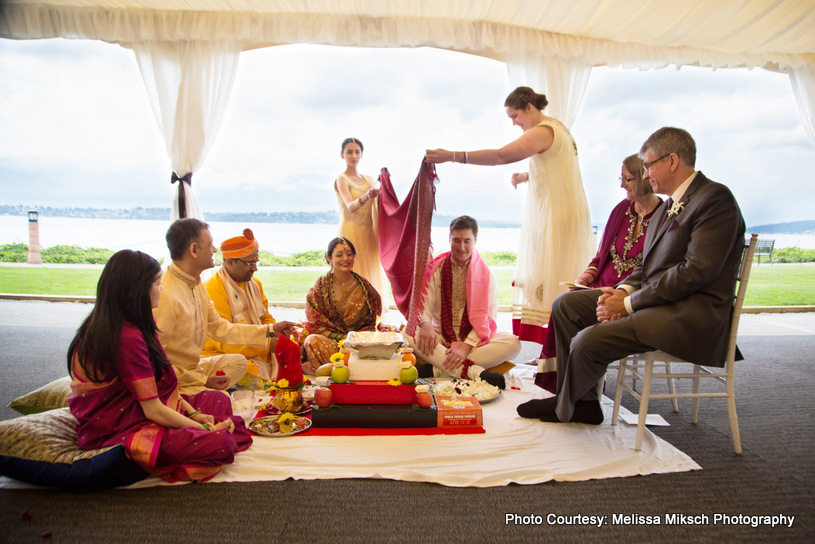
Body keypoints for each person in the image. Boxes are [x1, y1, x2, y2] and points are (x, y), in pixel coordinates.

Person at [517, 127, 746, 425]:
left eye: (649, 165)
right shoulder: (669, 206)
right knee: (566, 306)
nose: (647, 173)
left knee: (587, 340)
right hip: (659, 302)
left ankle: (568, 407)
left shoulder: (715, 199)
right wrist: (622, 291)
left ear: (672, 160)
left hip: (690, 314)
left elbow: (695, 272)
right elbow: (647, 267)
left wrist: (627, 305)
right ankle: (581, 401)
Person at [425, 86, 594, 348]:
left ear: (529, 106)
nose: (515, 123)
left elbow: (501, 155)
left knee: (554, 282)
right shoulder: (558, 127)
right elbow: (559, 169)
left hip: (556, 216)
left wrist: (452, 156)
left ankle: (561, 355)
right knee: (555, 284)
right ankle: (557, 353)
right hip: (567, 212)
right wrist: (528, 176)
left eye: (515, 116)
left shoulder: (543, 130)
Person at [67, 250, 252, 483]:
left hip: (153, 406)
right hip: (122, 426)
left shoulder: (140, 322)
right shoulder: (125, 337)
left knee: (220, 401)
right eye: (157, 284)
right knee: (221, 442)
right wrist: (203, 429)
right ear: (137, 290)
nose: (161, 290)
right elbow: (152, 409)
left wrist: (195, 414)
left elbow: (163, 385)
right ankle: (175, 450)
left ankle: (202, 436)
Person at [535, 155, 662, 388]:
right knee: (566, 301)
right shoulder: (621, 210)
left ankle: (580, 385)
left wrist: (623, 298)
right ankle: (563, 377)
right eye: (620, 178)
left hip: (633, 296)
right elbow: (600, 257)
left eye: (627, 179)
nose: (621, 185)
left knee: (569, 306)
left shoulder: (663, 216)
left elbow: (657, 272)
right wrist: (583, 279)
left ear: (645, 178)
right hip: (600, 286)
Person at [154, 218, 294, 395]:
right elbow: (156, 362)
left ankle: (205, 392)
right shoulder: (167, 294)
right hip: (175, 376)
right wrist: (202, 380)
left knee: (238, 363)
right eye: (210, 245)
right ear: (194, 250)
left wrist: (270, 330)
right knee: (224, 400)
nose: (214, 250)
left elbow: (221, 329)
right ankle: (200, 393)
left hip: (195, 368)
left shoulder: (195, 285)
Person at [405, 216, 521, 389]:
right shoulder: (434, 269)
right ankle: (476, 372)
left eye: (467, 241)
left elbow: (488, 319)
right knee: (408, 333)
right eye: (456, 240)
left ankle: (437, 370)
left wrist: (465, 347)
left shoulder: (487, 275)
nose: (461, 247)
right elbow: (424, 304)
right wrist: (426, 323)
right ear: (449, 239)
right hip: (440, 335)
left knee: (514, 344)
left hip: (475, 341)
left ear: (475, 240)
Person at [202, 228, 282, 382]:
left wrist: (275, 333)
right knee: (250, 371)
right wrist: (266, 344)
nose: (255, 268)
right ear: (230, 262)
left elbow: (265, 316)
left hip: (257, 347)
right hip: (222, 354)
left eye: (256, 262)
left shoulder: (254, 284)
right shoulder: (212, 289)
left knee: (286, 356)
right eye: (250, 263)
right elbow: (223, 340)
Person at [303, 237, 382, 372]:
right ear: (329, 258)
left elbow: (371, 321)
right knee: (312, 341)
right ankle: (343, 369)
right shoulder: (320, 288)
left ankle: (332, 369)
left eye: (349, 254)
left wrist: (354, 339)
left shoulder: (365, 287)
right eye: (339, 255)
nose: (345, 258)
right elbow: (315, 324)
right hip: (332, 343)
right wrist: (342, 338)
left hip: (358, 344)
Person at [334, 137, 385, 297]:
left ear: (362, 155)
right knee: (350, 272)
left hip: (369, 233)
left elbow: (381, 203)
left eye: (357, 152)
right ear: (342, 155)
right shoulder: (342, 179)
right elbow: (350, 207)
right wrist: (366, 196)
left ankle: (370, 315)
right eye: (349, 152)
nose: (353, 155)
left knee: (369, 274)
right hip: (351, 232)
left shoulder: (369, 179)